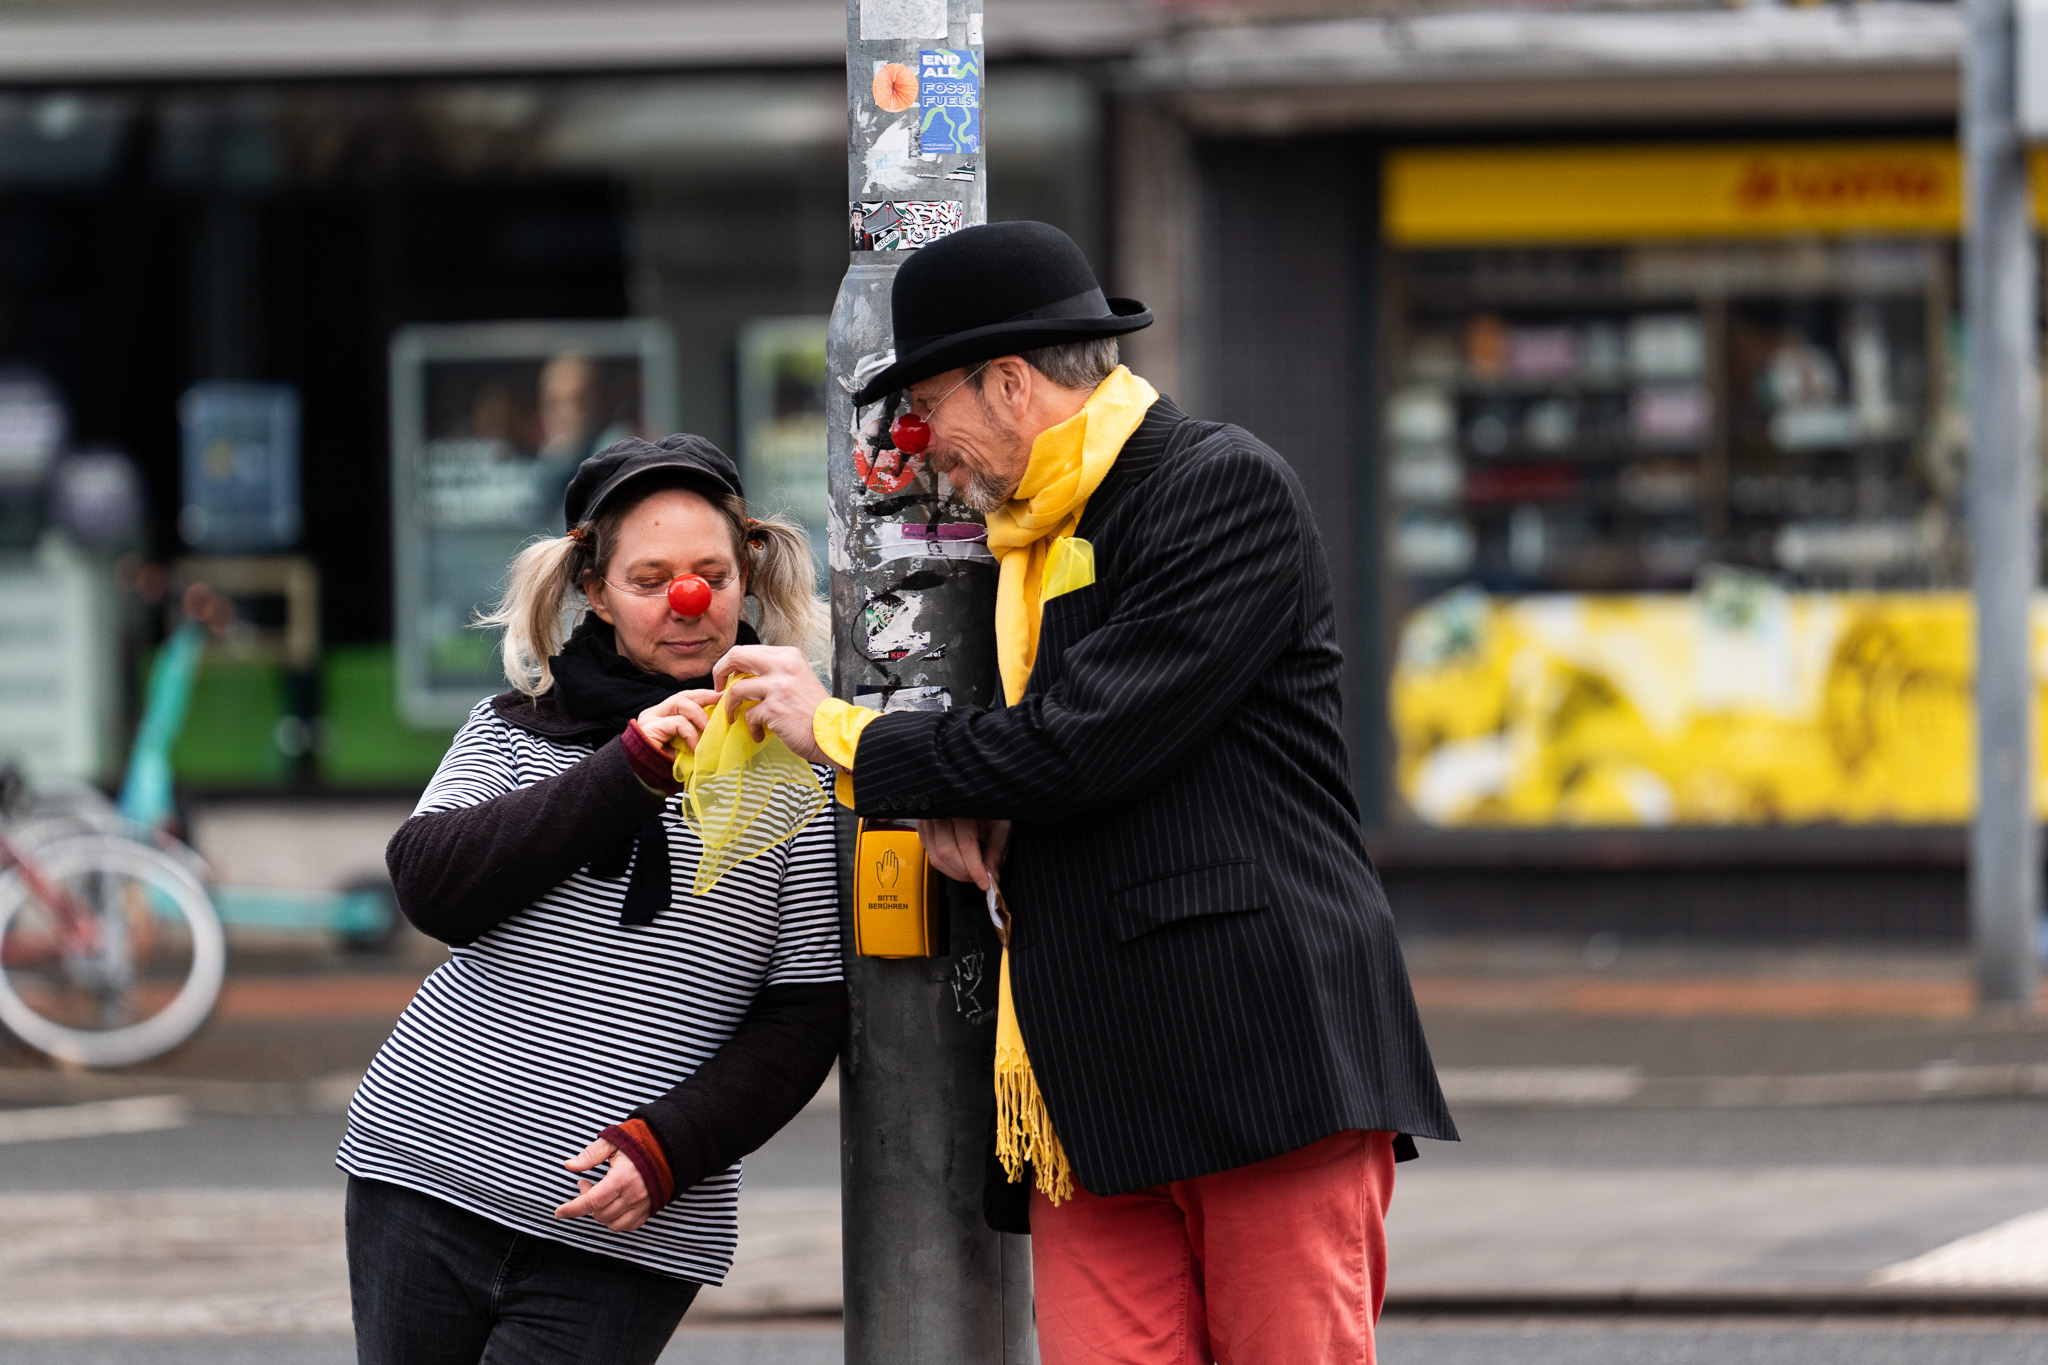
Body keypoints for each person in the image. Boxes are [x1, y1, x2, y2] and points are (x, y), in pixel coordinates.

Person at [718, 221, 1458, 1365]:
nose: (922, 447)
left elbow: (1080, 747)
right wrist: (965, 794)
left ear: (1007, 384)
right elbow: (1064, 749)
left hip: (1255, 1056)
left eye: (928, 407)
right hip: (1084, 1087)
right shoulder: (1024, 539)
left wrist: (837, 731)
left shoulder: (1213, 487)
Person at [337, 435, 842, 1365]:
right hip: (425, 1174)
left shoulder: (804, 770)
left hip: (632, 1235)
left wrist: (671, 1148)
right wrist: (629, 770)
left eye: (710, 573)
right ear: (595, 591)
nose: (687, 601)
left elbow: (805, 1011)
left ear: (747, 577)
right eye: (650, 578)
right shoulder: (517, 726)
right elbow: (432, 883)